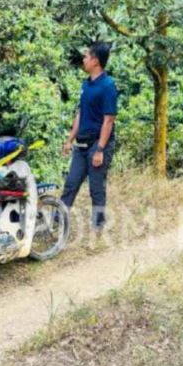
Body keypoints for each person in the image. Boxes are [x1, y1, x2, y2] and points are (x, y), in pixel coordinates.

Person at [60, 42, 118, 232]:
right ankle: (57, 221)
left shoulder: (108, 86)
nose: (83, 59)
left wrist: (100, 149)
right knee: (71, 184)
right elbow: (80, 114)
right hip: (82, 144)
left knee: (96, 188)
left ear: (95, 61)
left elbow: (108, 120)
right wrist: (70, 140)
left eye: (86, 56)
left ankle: (98, 226)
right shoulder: (86, 84)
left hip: (98, 143)